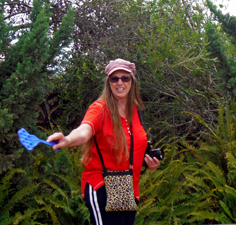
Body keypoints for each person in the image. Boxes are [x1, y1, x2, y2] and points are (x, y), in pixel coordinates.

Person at [48, 58, 161, 225]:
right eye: (114, 78)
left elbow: (135, 145)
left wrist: (150, 163)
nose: (120, 82)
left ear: (132, 82)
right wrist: (67, 139)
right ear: (108, 83)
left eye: (125, 78)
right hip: (102, 186)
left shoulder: (137, 111)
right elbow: (84, 131)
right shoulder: (100, 108)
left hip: (128, 188)